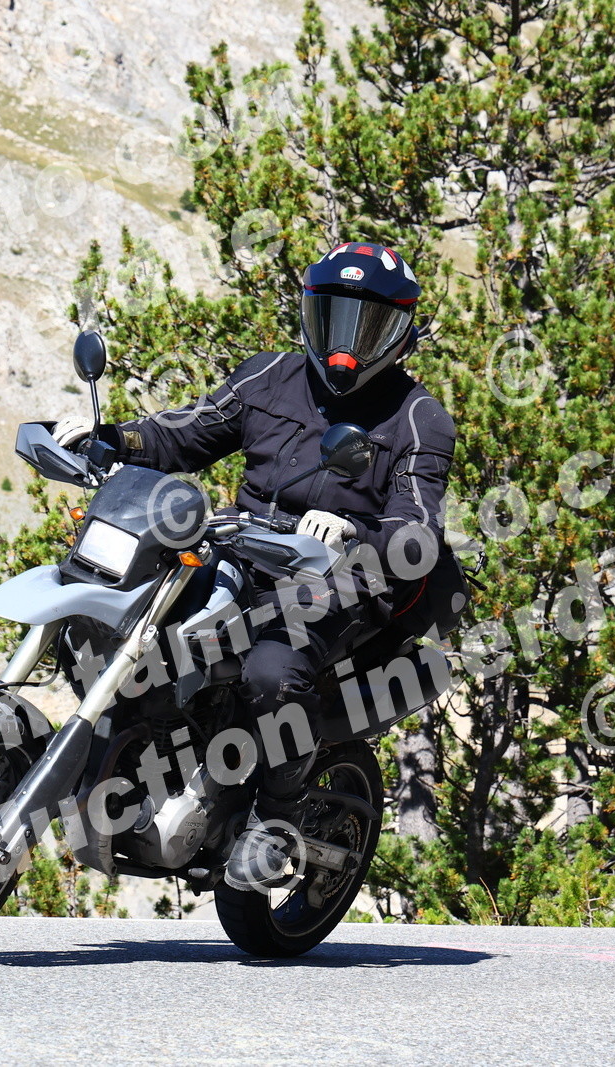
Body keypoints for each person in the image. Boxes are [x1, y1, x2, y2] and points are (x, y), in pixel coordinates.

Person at [52, 241, 456, 889]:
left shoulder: (418, 418)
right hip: (246, 552)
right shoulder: (267, 376)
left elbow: (418, 526)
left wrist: (355, 533)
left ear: (400, 332)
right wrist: (111, 438)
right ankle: (145, 753)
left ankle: (276, 817)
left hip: (345, 580)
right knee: (132, 616)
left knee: (272, 669)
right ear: (310, 312)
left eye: (368, 324)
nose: (346, 344)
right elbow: (184, 433)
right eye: (335, 317)